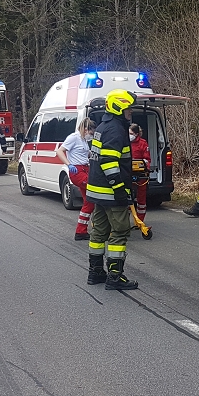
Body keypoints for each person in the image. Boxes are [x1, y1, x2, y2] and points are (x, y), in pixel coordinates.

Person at [85, 89, 138, 290]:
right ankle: (115, 277)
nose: (131, 112)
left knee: (99, 232)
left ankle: (96, 272)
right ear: (119, 107)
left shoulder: (104, 125)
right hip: (111, 191)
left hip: (98, 191)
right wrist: (119, 188)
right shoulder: (116, 128)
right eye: (128, 108)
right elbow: (108, 161)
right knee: (120, 231)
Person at [57, 117, 95, 241]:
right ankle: (91, 227)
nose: (91, 135)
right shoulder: (74, 137)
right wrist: (69, 164)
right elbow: (60, 151)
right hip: (77, 171)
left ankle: (81, 231)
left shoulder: (84, 140)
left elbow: (85, 154)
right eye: (91, 132)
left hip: (85, 169)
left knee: (89, 203)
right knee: (94, 191)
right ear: (85, 129)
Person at [128, 122, 150, 222]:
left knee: (141, 198)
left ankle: (140, 220)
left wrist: (142, 164)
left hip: (140, 173)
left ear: (136, 134)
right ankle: (125, 220)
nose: (129, 135)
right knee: (127, 196)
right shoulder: (125, 142)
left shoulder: (143, 143)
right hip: (128, 172)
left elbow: (147, 159)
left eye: (131, 133)